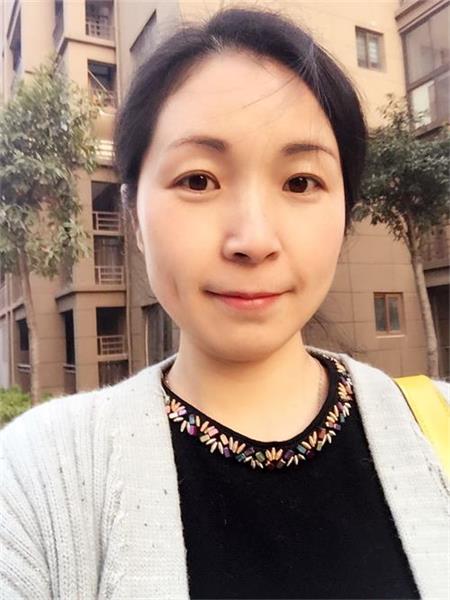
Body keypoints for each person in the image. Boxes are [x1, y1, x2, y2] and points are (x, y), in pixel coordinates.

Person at [0, 6, 448, 600]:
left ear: (345, 212)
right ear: (134, 216)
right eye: (198, 180)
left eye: (300, 182)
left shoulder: (438, 431)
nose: (253, 240)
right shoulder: (40, 474)